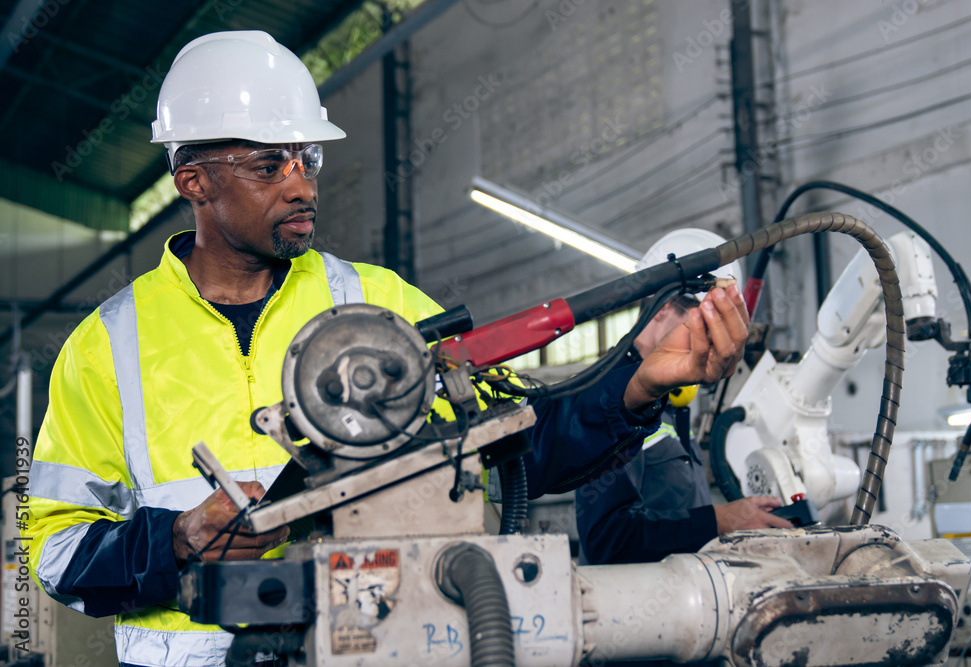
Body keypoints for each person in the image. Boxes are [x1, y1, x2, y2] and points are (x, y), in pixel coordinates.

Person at [25, 31, 749, 666]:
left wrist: (637, 385)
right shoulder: (106, 347)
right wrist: (177, 538)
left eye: (308, 157)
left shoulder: (374, 305)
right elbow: (56, 552)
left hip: (369, 648)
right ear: (194, 180)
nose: (302, 183)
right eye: (271, 163)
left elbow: (521, 442)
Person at [576, 230, 792, 567]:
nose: (713, 341)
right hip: (627, 609)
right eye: (705, 323)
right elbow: (607, 540)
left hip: (688, 600)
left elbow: (678, 510)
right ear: (662, 308)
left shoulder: (675, 397)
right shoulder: (608, 397)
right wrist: (720, 521)